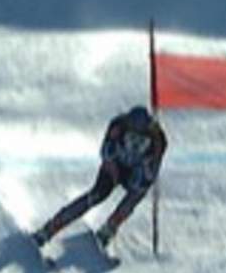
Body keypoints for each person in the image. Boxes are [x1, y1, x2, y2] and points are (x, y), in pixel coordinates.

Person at [32, 105, 167, 250]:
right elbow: (105, 150)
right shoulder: (118, 125)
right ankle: (50, 228)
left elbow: (151, 174)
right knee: (96, 195)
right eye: (131, 135)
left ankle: (109, 229)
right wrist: (111, 166)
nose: (134, 143)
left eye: (140, 139)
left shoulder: (158, 140)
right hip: (115, 164)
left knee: (134, 196)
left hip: (138, 171)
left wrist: (143, 176)